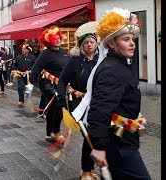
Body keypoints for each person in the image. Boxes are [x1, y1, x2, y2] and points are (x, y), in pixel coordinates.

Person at [73, 8, 151, 180]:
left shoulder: (121, 64)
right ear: (111, 44)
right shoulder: (111, 70)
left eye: (132, 39)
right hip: (118, 145)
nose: (132, 43)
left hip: (124, 140)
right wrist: (99, 148)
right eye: (126, 39)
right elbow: (99, 111)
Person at [56, 25, 99, 179]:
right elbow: (62, 80)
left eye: (92, 42)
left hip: (96, 103)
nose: (89, 44)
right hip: (78, 103)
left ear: (96, 44)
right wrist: (61, 98)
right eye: (86, 42)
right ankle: (86, 170)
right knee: (88, 133)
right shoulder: (74, 62)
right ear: (81, 45)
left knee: (95, 135)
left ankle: (89, 168)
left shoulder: (100, 61)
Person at [25, 26, 69, 143]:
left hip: (60, 84)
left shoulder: (64, 52)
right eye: (55, 38)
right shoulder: (46, 53)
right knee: (57, 103)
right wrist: (31, 84)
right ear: (49, 40)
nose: (58, 40)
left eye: (59, 37)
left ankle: (50, 133)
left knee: (56, 107)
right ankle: (55, 132)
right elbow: (36, 68)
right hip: (46, 83)